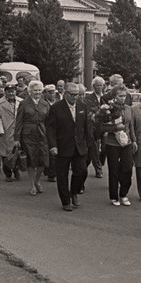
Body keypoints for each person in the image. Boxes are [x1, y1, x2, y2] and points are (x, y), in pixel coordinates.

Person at [46, 82, 92, 212]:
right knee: (62, 175)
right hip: (62, 146)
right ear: (65, 94)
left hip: (79, 146)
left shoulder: (83, 106)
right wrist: (53, 146)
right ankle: (66, 201)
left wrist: (89, 144)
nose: (75, 97)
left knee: (81, 171)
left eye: (77, 95)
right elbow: (50, 129)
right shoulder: (56, 108)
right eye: (72, 95)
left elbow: (86, 127)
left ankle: (74, 192)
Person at [97, 83, 138, 206]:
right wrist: (115, 128)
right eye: (120, 96)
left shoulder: (128, 108)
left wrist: (134, 140)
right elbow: (102, 127)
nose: (122, 98)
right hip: (112, 143)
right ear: (114, 96)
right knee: (114, 170)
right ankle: (114, 196)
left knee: (127, 169)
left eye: (124, 96)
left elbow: (130, 126)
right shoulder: (108, 109)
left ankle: (124, 193)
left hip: (127, 143)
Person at [14, 79, 51, 196]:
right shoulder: (24, 103)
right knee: (31, 160)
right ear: (30, 91)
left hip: (42, 134)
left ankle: (37, 181)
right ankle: (32, 185)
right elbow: (19, 121)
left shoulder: (45, 103)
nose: (38, 92)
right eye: (35, 90)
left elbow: (49, 121)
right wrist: (16, 138)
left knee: (43, 160)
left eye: (40, 90)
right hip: (28, 135)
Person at [0, 82, 23, 181]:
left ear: (16, 92)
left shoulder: (21, 101)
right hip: (5, 131)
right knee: (5, 153)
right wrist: (0, 131)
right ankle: (8, 174)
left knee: (17, 152)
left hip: (17, 131)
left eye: (13, 92)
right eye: (9, 92)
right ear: (5, 92)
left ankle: (16, 170)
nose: (11, 94)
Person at [84, 76, 107, 178]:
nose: (99, 88)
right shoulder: (88, 98)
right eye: (97, 85)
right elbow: (89, 113)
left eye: (100, 85)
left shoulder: (106, 98)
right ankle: (98, 169)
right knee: (94, 149)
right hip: (93, 127)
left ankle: (98, 162)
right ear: (93, 86)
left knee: (105, 148)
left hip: (105, 127)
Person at [42, 84, 58, 183]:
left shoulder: (58, 103)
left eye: (53, 92)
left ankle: (52, 173)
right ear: (45, 93)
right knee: (46, 151)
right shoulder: (43, 103)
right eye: (49, 92)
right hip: (44, 129)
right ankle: (47, 169)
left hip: (56, 130)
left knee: (54, 152)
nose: (52, 94)